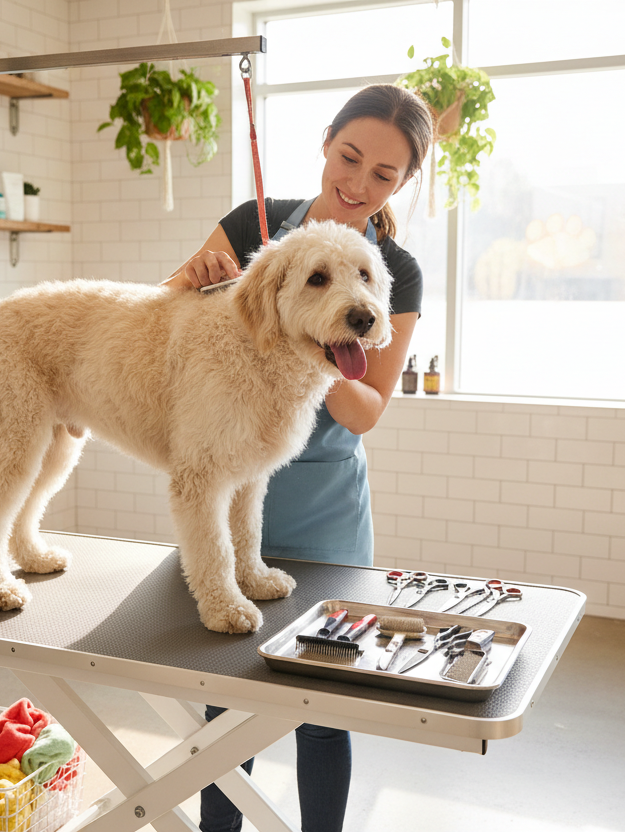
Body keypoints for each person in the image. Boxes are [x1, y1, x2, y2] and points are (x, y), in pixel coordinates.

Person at [163, 84, 434, 832]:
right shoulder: (250, 225)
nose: (356, 184)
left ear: (403, 184)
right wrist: (189, 282)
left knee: (323, 708)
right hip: (226, 491)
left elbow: (369, 408)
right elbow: (164, 325)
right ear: (326, 143)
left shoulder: (396, 274)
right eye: (349, 158)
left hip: (323, 512)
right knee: (228, 705)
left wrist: (329, 350)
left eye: (383, 175)